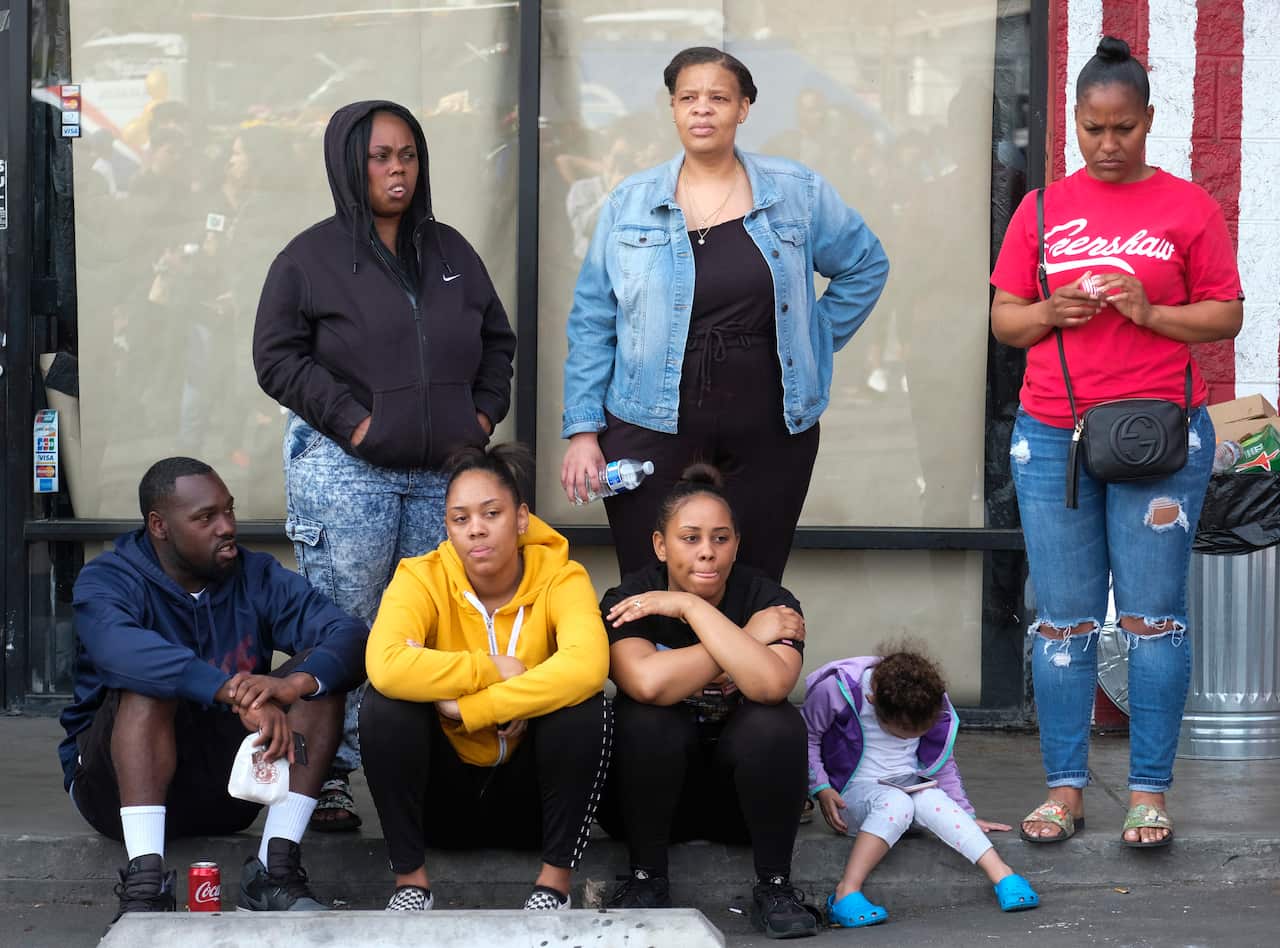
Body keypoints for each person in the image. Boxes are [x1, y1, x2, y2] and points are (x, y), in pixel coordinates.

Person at [990, 37, 1243, 847]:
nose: (1108, 144)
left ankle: (1149, 793)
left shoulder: (1187, 208)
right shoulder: (1039, 210)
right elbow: (1004, 321)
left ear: (1149, 123)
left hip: (1158, 437)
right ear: (1072, 122)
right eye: (1095, 128)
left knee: (1153, 620)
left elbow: (1225, 313)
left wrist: (1147, 312)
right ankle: (1064, 789)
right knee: (1062, 621)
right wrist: (1048, 314)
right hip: (1053, 437)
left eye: (1124, 128)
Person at [254, 99, 517, 832]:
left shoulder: (452, 251)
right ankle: (325, 781)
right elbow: (275, 358)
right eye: (380, 157)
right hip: (348, 472)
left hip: (442, 475)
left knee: (424, 632)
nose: (398, 169)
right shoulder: (308, 258)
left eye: (408, 155)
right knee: (344, 627)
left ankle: (412, 778)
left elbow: (499, 341)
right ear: (350, 165)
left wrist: (482, 417)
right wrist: (355, 421)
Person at [561, 46, 889, 582]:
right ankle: (664, 668)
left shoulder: (795, 192)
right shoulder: (631, 201)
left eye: (718, 97)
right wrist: (582, 431)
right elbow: (594, 316)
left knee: (752, 581)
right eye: (688, 97)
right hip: (648, 420)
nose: (702, 109)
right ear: (672, 109)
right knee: (652, 577)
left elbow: (865, 265)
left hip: (770, 421)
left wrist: (815, 336)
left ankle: (737, 670)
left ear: (744, 108)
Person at [58, 457, 368, 920]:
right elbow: (119, 650)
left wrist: (291, 686)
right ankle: (145, 883)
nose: (226, 527)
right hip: (113, 789)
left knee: (315, 680)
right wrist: (230, 691)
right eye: (205, 517)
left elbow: (349, 634)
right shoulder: (108, 578)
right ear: (159, 526)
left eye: (229, 510)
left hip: (232, 790)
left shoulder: (256, 575)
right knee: (147, 680)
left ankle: (273, 871)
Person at [358, 444, 611, 912]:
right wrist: (494, 669)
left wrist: (477, 704)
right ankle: (410, 884)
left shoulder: (562, 576)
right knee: (383, 706)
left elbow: (588, 665)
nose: (475, 528)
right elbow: (386, 664)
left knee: (586, 708)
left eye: (491, 513)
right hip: (444, 799)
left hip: (530, 801)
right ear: (448, 528)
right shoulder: (420, 577)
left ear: (520, 518)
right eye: (459, 519)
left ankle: (553, 885)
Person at [598, 463, 819, 939]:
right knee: (644, 718)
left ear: (736, 544)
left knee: (775, 722)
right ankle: (646, 879)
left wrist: (688, 607)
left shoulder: (766, 598)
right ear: (661, 545)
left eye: (720, 539)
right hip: (647, 802)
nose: (707, 553)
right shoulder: (632, 597)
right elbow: (648, 683)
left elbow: (769, 684)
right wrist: (741, 642)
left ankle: (775, 886)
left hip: (739, 802)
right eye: (690, 538)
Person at [803, 649, 1040, 927]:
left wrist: (966, 815)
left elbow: (941, 761)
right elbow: (807, 738)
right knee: (897, 802)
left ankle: (1003, 875)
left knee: (929, 796)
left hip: (908, 789)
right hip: (852, 799)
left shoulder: (928, 699)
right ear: (873, 702)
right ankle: (846, 893)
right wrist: (820, 788)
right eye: (903, 734)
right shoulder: (839, 689)